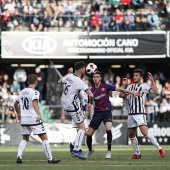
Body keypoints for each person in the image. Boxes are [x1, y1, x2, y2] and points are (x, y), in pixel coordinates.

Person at [84, 71, 140, 159]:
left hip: (107, 112)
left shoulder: (106, 86)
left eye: (97, 77)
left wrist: (132, 93)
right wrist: (90, 100)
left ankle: (109, 151)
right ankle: (90, 150)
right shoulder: (91, 90)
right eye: (94, 77)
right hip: (97, 113)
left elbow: (120, 89)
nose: (95, 78)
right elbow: (90, 103)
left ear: (100, 78)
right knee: (89, 134)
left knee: (108, 129)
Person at [14, 74, 61, 164]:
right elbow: (35, 103)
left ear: (27, 82)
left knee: (25, 138)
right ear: (36, 82)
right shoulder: (35, 92)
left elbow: (15, 104)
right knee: (44, 137)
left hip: (24, 119)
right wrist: (39, 114)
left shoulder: (22, 92)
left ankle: (19, 157)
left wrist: (18, 113)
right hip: (33, 118)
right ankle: (50, 158)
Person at [119, 69, 166, 159]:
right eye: (134, 75)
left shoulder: (144, 86)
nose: (135, 77)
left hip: (140, 113)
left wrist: (152, 80)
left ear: (140, 77)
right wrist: (124, 84)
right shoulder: (130, 86)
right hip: (131, 113)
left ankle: (160, 148)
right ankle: (137, 153)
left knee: (145, 132)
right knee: (131, 135)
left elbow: (156, 92)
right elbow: (121, 95)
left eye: (137, 75)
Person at [58, 61, 93, 160]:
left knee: (81, 129)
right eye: (85, 69)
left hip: (64, 103)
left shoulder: (69, 76)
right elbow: (90, 94)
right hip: (73, 106)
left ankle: (74, 144)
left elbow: (59, 81)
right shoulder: (80, 82)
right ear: (82, 71)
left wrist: (68, 73)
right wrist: (92, 101)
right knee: (83, 129)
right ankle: (76, 150)